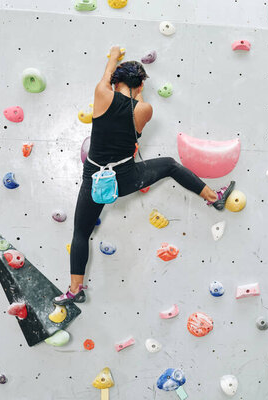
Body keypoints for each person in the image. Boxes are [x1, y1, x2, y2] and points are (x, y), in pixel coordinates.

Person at [53, 46, 235, 305]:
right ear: (140, 86)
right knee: (170, 165)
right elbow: (133, 123)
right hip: (126, 177)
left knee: (80, 233)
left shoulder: (102, 94)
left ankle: (74, 290)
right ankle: (213, 197)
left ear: (117, 82)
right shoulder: (145, 110)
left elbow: (106, 76)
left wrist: (114, 56)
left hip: (94, 178)